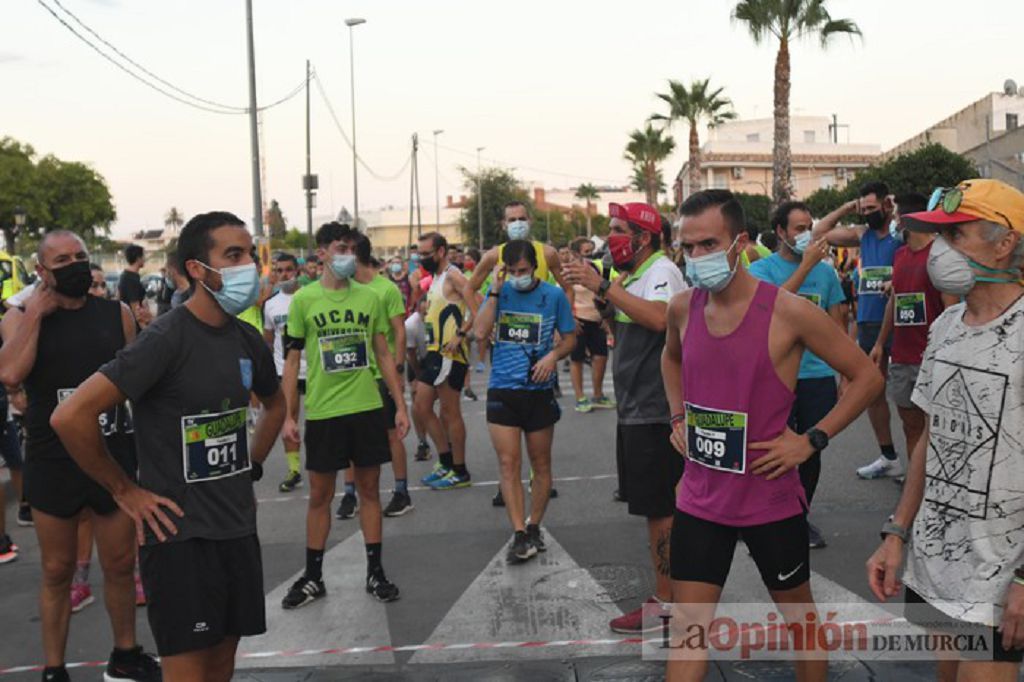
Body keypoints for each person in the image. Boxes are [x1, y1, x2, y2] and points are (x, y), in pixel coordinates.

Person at [51, 212, 286, 682]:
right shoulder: (165, 338)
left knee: (222, 667)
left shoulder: (245, 339)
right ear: (198, 269)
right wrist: (124, 490)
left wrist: (252, 465)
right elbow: (70, 416)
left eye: (249, 255)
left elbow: (276, 406)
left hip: (236, 531)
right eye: (233, 256)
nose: (248, 268)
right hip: (180, 542)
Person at [663, 190, 882, 682]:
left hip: (769, 500)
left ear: (740, 242)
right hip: (700, 500)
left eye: (707, 244)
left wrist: (811, 440)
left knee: (801, 626)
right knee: (688, 633)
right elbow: (670, 357)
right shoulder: (682, 308)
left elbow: (867, 378)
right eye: (688, 247)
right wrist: (677, 418)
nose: (696, 257)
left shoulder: (789, 312)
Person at [867, 179, 1024, 681]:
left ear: (1005, 244)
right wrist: (896, 532)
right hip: (936, 565)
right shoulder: (946, 326)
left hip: (1001, 577)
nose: (939, 251)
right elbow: (930, 442)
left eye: (956, 235)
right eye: (937, 237)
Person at [0, 231, 160, 682]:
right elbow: (10, 373)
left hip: (112, 456)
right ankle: (54, 668)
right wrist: (36, 314)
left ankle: (125, 654)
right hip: (53, 462)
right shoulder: (20, 318)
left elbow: (139, 381)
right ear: (41, 270)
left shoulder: (117, 314)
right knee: (56, 569)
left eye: (80, 257)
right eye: (62, 260)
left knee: (119, 564)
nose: (74, 265)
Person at [562, 202, 687, 634]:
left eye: (618, 230)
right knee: (656, 508)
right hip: (636, 407)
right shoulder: (635, 275)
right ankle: (672, 596)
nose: (610, 237)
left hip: (655, 409)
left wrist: (604, 286)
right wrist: (600, 292)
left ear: (644, 237)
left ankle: (667, 603)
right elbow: (620, 317)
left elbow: (658, 318)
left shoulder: (662, 272)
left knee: (662, 511)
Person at [281, 222, 409, 609]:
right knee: (320, 495)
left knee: (369, 491)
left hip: (366, 407)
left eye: (352, 250)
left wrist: (400, 405)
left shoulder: (369, 298)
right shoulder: (303, 301)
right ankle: (313, 576)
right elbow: (292, 362)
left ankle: (375, 571)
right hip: (323, 411)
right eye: (340, 249)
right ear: (321, 253)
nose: (347, 257)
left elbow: (383, 354)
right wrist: (290, 416)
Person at [748, 201, 847, 549]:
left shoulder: (828, 273)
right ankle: (769, 517)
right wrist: (805, 267)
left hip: (817, 377)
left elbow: (837, 325)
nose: (806, 235)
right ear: (780, 232)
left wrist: (844, 374)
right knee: (773, 451)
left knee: (810, 450)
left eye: (809, 227)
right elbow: (767, 310)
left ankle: (798, 519)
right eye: (798, 229)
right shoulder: (761, 270)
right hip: (776, 378)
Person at [474, 240, 576, 562]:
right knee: (508, 463)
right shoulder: (500, 292)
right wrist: (493, 291)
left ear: (534, 267)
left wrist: (553, 356)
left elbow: (570, 338)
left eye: (524, 270)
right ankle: (518, 532)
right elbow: (479, 332)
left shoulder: (554, 295)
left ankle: (534, 525)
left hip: (538, 391)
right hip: (503, 390)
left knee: (541, 464)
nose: (518, 276)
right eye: (512, 270)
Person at [812, 182, 902, 479]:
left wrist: (896, 209)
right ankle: (888, 456)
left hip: (902, 320)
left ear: (887, 206)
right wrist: (848, 207)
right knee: (874, 391)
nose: (867, 215)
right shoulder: (862, 235)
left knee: (909, 397)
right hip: (867, 320)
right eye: (863, 210)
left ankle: (919, 464)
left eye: (871, 209)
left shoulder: (900, 234)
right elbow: (819, 233)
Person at [868, 193, 956, 484]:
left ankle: (936, 484)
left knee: (937, 427)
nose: (893, 223)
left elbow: (952, 309)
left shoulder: (940, 256)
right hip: (902, 357)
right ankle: (917, 484)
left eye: (896, 218)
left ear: (908, 220)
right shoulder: (900, 255)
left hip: (932, 358)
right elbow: (896, 299)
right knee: (911, 426)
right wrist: (881, 343)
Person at [346, 232, 413, 518]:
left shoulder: (385, 289)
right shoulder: (345, 289)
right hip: (354, 374)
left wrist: (397, 370)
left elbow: (399, 331)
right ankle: (349, 494)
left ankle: (401, 491)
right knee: (351, 436)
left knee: (390, 435)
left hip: (381, 373)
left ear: (354, 254)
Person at [414, 232, 476, 491]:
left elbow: (478, 305)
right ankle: (446, 461)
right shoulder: (437, 279)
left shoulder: (454, 276)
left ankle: (460, 470)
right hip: (434, 351)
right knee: (421, 406)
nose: (422, 258)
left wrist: (461, 334)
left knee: (450, 412)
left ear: (441, 252)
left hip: (451, 354)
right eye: (419, 253)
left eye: (426, 253)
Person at [464, 201, 573, 312]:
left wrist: (566, 319)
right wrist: (479, 318)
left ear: (530, 221)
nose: (518, 224)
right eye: (512, 220)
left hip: (540, 324)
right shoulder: (493, 255)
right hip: (506, 325)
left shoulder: (548, 253)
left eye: (522, 219)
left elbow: (568, 289)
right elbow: (468, 289)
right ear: (504, 224)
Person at [263, 253, 307, 493]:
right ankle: (294, 470)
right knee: (288, 420)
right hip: (285, 370)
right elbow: (268, 340)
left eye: (288, 270)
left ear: (297, 271)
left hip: (314, 369)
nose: (284, 275)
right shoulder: (270, 304)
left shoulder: (308, 298)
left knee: (320, 421)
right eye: (279, 271)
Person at [567, 237, 615, 413]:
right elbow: (564, 294)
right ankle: (580, 398)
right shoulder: (569, 271)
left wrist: (605, 316)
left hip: (597, 320)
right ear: (576, 253)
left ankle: (598, 394)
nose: (591, 255)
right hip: (578, 320)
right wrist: (569, 318)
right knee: (577, 359)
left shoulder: (597, 268)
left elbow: (605, 291)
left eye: (592, 250)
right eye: (586, 252)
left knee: (600, 357)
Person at [404, 297, 432, 461]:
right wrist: (418, 376)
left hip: (438, 358)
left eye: (428, 312)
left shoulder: (438, 317)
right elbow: (411, 354)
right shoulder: (411, 325)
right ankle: (422, 442)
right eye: (423, 312)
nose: (426, 315)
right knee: (417, 402)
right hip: (417, 361)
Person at [118, 243, 151, 327]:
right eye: (143, 256)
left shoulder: (127, 275)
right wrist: (146, 331)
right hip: (135, 328)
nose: (145, 258)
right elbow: (136, 311)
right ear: (138, 258)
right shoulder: (130, 279)